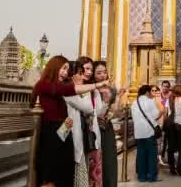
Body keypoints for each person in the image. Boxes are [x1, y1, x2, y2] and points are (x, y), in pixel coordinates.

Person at [32, 55, 105, 187]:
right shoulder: (44, 84)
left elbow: (69, 117)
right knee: (51, 175)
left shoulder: (59, 87)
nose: (65, 73)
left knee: (65, 173)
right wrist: (96, 85)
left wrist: (68, 130)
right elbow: (70, 92)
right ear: (54, 68)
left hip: (62, 132)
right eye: (63, 68)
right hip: (50, 133)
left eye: (67, 69)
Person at [66, 56, 103, 187]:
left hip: (88, 135)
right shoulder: (69, 90)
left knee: (91, 172)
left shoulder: (92, 91)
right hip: (72, 135)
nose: (88, 73)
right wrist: (82, 88)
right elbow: (87, 108)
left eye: (90, 70)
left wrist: (93, 91)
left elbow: (97, 111)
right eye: (84, 70)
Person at [92, 61, 123, 187]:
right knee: (95, 163)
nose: (102, 75)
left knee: (109, 162)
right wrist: (104, 101)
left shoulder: (111, 89)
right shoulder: (91, 90)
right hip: (93, 129)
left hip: (107, 128)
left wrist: (118, 98)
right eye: (98, 73)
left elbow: (115, 112)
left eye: (104, 72)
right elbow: (96, 113)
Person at [131, 85, 161, 182]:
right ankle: (152, 176)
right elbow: (155, 115)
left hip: (138, 133)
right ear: (147, 92)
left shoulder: (134, 103)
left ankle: (141, 176)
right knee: (152, 155)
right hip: (149, 132)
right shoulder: (150, 102)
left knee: (141, 155)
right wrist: (161, 112)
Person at [164, 85, 181, 176]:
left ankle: (172, 168)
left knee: (170, 147)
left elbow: (165, 113)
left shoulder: (169, 100)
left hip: (170, 126)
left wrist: (165, 124)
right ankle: (179, 167)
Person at [150, 85, 166, 166]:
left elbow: (165, 112)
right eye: (156, 93)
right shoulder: (151, 102)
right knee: (156, 141)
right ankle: (155, 157)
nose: (158, 95)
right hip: (154, 124)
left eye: (159, 94)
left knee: (160, 142)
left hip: (161, 123)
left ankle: (159, 157)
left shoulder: (162, 101)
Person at [159, 80, 171, 162]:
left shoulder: (171, 97)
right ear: (161, 86)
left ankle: (165, 155)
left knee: (167, 139)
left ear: (169, 87)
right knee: (160, 139)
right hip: (159, 120)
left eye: (167, 86)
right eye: (164, 86)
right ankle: (160, 155)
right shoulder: (158, 96)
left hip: (168, 121)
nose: (165, 88)